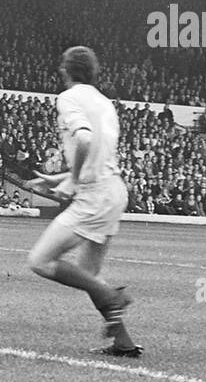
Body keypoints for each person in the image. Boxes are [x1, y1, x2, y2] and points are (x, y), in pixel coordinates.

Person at [26, 46, 141, 357]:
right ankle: (123, 342)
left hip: (94, 195)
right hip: (113, 189)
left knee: (39, 261)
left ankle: (113, 297)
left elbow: (85, 139)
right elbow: (98, 150)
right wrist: (64, 177)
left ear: (65, 70)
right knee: (89, 274)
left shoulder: (69, 98)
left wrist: (74, 181)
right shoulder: (104, 102)